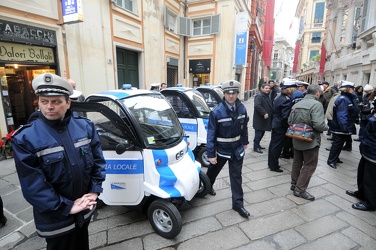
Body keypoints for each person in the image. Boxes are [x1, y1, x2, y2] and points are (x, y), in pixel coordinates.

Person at [12, 73, 106, 249]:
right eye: (44, 101)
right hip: (56, 218)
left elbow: (98, 162)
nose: (49, 107)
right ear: (38, 103)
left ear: (68, 103)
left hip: (84, 209)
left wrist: (94, 192)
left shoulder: (85, 127)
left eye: (56, 101)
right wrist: (67, 207)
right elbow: (33, 185)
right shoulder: (25, 138)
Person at [206, 80, 250, 218]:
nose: (231, 96)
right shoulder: (216, 112)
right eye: (228, 93)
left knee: (236, 176)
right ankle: (207, 187)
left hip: (237, 149)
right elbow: (211, 134)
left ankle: (238, 204)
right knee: (213, 171)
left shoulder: (242, 108)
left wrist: (245, 142)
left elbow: (245, 127)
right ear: (224, 94)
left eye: (234, 93)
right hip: (221, 150)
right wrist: (211, 154)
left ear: (237, 93)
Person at [288, 85, 328, 201]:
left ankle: (294, 184)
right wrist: (326, 128)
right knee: (310, 164)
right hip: (310, 139)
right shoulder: (317, 104)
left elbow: (289, 121)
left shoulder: (297, 104)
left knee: (297, 162)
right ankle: (300, 190)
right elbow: (319, 125)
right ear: (317, 93)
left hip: (296, 137)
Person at [346, 97, 376, 211]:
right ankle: (361, 193)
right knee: (362, 173)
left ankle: (370, 202)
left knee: (371, 178)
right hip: (368, 148)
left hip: (373, 151)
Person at [327, 81, 359, 169]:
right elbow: (342, 115)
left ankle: (335, 158)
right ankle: (331, 160)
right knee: (337, 143)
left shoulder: (347, 98)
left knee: (339, 144)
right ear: (348, 89)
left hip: (344, 125)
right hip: (341, 127)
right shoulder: (343, 99)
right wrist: (344, 128)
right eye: (353, 89)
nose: (354, 90)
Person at [268, 79, 297, 172]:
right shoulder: (286, 100)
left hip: (276, 124)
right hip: (280, 126)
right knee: (277, 146)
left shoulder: (279, 97)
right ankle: (274, 166)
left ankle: (271, 163)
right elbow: (285, 117)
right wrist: (287, 126)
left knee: (273, 144)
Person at [253, 83, 272, 153]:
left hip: (265, 120)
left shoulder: (267, 96)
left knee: (262, 133)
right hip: (259, 119)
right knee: (258, 134)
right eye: (266, 88)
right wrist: (264, 113)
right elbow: (257, 105)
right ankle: (255, 147)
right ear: (262, 88)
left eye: (269, 88)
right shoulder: (259, 96)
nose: (268, 90)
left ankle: (258, 145)